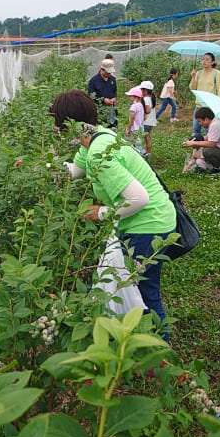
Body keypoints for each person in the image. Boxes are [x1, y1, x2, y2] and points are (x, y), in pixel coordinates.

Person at [50, 90, 177, 342]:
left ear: (69, 124)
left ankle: (161, 351)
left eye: (59, 125)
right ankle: (139, 340)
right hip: (148, 219)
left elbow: (139, 198)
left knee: (145, 292)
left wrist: (102, 213)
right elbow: (75, 170)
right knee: (132, 286)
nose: (57, 131)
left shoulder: (99, 151)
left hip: (147, 226)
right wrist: (39, 169)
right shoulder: (98, 138)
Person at [182, 106, 220, 173]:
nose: (199, 124)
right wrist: (196, 139)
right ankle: (215, 166)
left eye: (199, 121)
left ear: (206, 119)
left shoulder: (215, 125)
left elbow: (211, 143)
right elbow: (208, 137)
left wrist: (194, 143)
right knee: (207, 150)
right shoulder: (216, 122)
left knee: (207, 151)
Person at [189, 53, 220, 140]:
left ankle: (208, 150)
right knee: (196, 128)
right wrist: (193, 77)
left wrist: (218, 103)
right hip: (199, 105)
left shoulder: (217, 73)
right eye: (203, 59)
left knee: (208, 130)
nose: (204, 61)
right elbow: (193, 88)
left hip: (210, 106)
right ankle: (197, 148)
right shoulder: (199, 73)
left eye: (207, 59)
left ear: (213, 62)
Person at [88, 58, 118, 127]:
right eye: (107, 72)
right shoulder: (94, 81)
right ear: (102, 69)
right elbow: (91, 96)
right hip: (99, 109)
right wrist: (103, 100)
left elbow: (114, 92)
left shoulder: (112, 79)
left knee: (112, 126)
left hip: (111, 109)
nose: (109, 74)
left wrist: (114, 98)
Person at [124, 86, 145, 151]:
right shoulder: (141, 105)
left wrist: (128, 129)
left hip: (134, 129)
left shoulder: (134, 106)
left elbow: (132, 118)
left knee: (132, 145)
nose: (129, 98)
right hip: (140, 128)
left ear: (136, 97)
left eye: (130, 96)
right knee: (139, 143)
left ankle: (139, 155)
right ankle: (143, 153)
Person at [140, 81, 157, 154]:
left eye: (142, 90)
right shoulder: (151, 98)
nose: (141, 91)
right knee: (147, 137)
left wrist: (143, 114)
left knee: (145, 137)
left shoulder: (146, 99)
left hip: (146, 122)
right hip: (151, 121)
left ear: (146, 90)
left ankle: (146, 152)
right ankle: (148, 152)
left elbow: (148, 110)